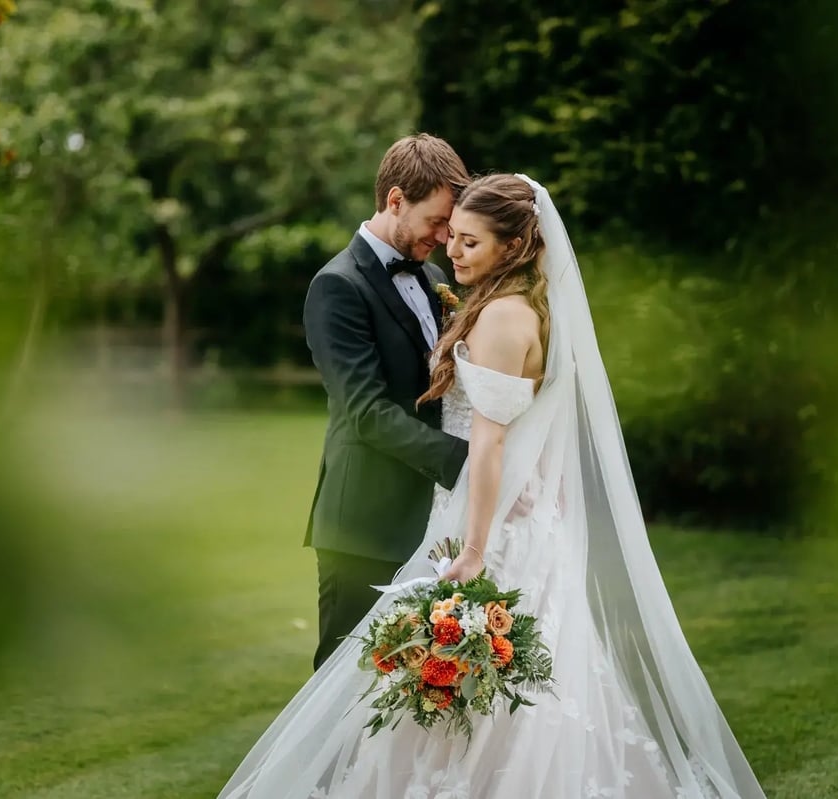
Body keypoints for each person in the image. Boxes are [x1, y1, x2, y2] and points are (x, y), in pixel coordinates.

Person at [220, 175, 766, 798]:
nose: (450, 250)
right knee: (429, 691)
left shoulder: (502, 316)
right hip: (460, 514)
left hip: (486, 527)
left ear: (512, 247)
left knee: (476, 695)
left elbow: (492, 441)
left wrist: (474, 549)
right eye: (448, 234)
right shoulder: (477, 299)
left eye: (468, 241)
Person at [303, 134, 471, 670]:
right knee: (340, 687)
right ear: (396, 200)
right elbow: (368, 411)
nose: (445, 237)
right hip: (364, 526)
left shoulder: (435, 278)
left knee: (420, 687)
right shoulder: (336, 287)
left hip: (433, 522)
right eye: (437, 221)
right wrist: (465, 461)